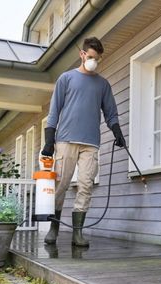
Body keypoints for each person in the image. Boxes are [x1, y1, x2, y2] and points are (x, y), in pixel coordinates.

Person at [41, 37, 125, 247]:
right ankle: (54, 228)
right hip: (65, 140)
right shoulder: (66, 78)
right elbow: (54, 112)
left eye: (97, 59)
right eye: (90, 57)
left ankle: (77, 233)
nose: (93, 62)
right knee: (60, 185)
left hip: (90, 143)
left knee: (86, 185)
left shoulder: (103, 84)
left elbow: (111, 114)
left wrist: (117, 132)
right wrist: (49, 141)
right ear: (82, 54)